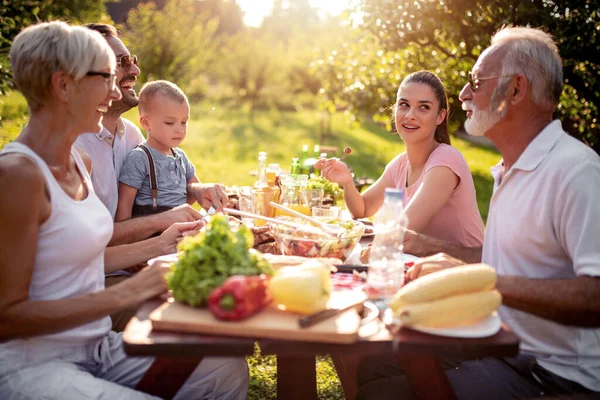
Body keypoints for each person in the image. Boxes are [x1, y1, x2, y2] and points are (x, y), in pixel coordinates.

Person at [0, 21, 248, 399]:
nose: (116, 90)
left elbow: (77, 259)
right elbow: (6, 317)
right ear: (63, 85)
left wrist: (162, 245)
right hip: (35, 363)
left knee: (224, 370)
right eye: (105, 77)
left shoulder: (79, 160)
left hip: (96, 347)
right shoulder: (17, 175)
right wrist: (131, 291)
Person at [356, 26, 600, 399]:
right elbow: (504, 261)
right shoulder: (511, 170)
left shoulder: (576, 171)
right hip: (501, 342)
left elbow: (594, 297)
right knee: (372, 361)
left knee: (381, 395)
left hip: (554, 376)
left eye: (476, 81)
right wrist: (433, 248)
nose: (465, 93)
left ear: (516, 89)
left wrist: (480, 280)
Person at [76, 24, 228, 332]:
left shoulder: (130, 134)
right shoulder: (73, 147)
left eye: (131, 58)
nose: (135, 68)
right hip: (95, 281)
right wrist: (161, 225)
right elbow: (83, 249)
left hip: (136, 262)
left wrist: (197, 190)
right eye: (120, 62)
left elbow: (160, 181)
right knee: (200, 308)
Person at [316, 71, 484, 254]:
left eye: (424, 107)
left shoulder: (446, 160)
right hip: (425, 266)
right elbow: (362, 208)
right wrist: (347, 182)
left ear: (440, 116)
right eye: (404, 105)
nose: (410, 115)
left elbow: (400, 232)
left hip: (467, 273)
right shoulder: (400, 164)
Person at [115, 80, 200, 221]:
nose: (180, 129)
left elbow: (196, 190)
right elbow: (124, 210)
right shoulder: (140, 158)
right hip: (151, 233)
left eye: (184, 122)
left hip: (179, 226)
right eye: (169, 123)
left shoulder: (180, 157)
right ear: (146, 123)